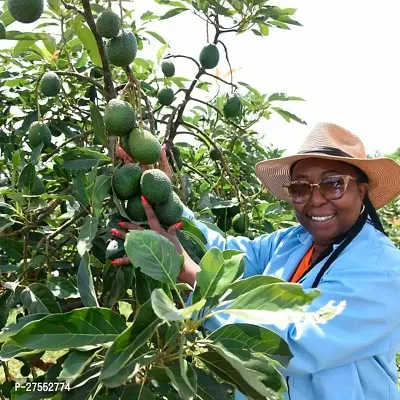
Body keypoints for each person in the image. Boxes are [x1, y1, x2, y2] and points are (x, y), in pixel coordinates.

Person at [112, 122, 400, 400]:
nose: (315, 200)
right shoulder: (293, 241)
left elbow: (290, 346)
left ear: (362, 190)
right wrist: (166, 202)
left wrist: (190, 275)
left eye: (333, 184)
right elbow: (225, 254)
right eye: (301, 188)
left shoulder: (383, 269)